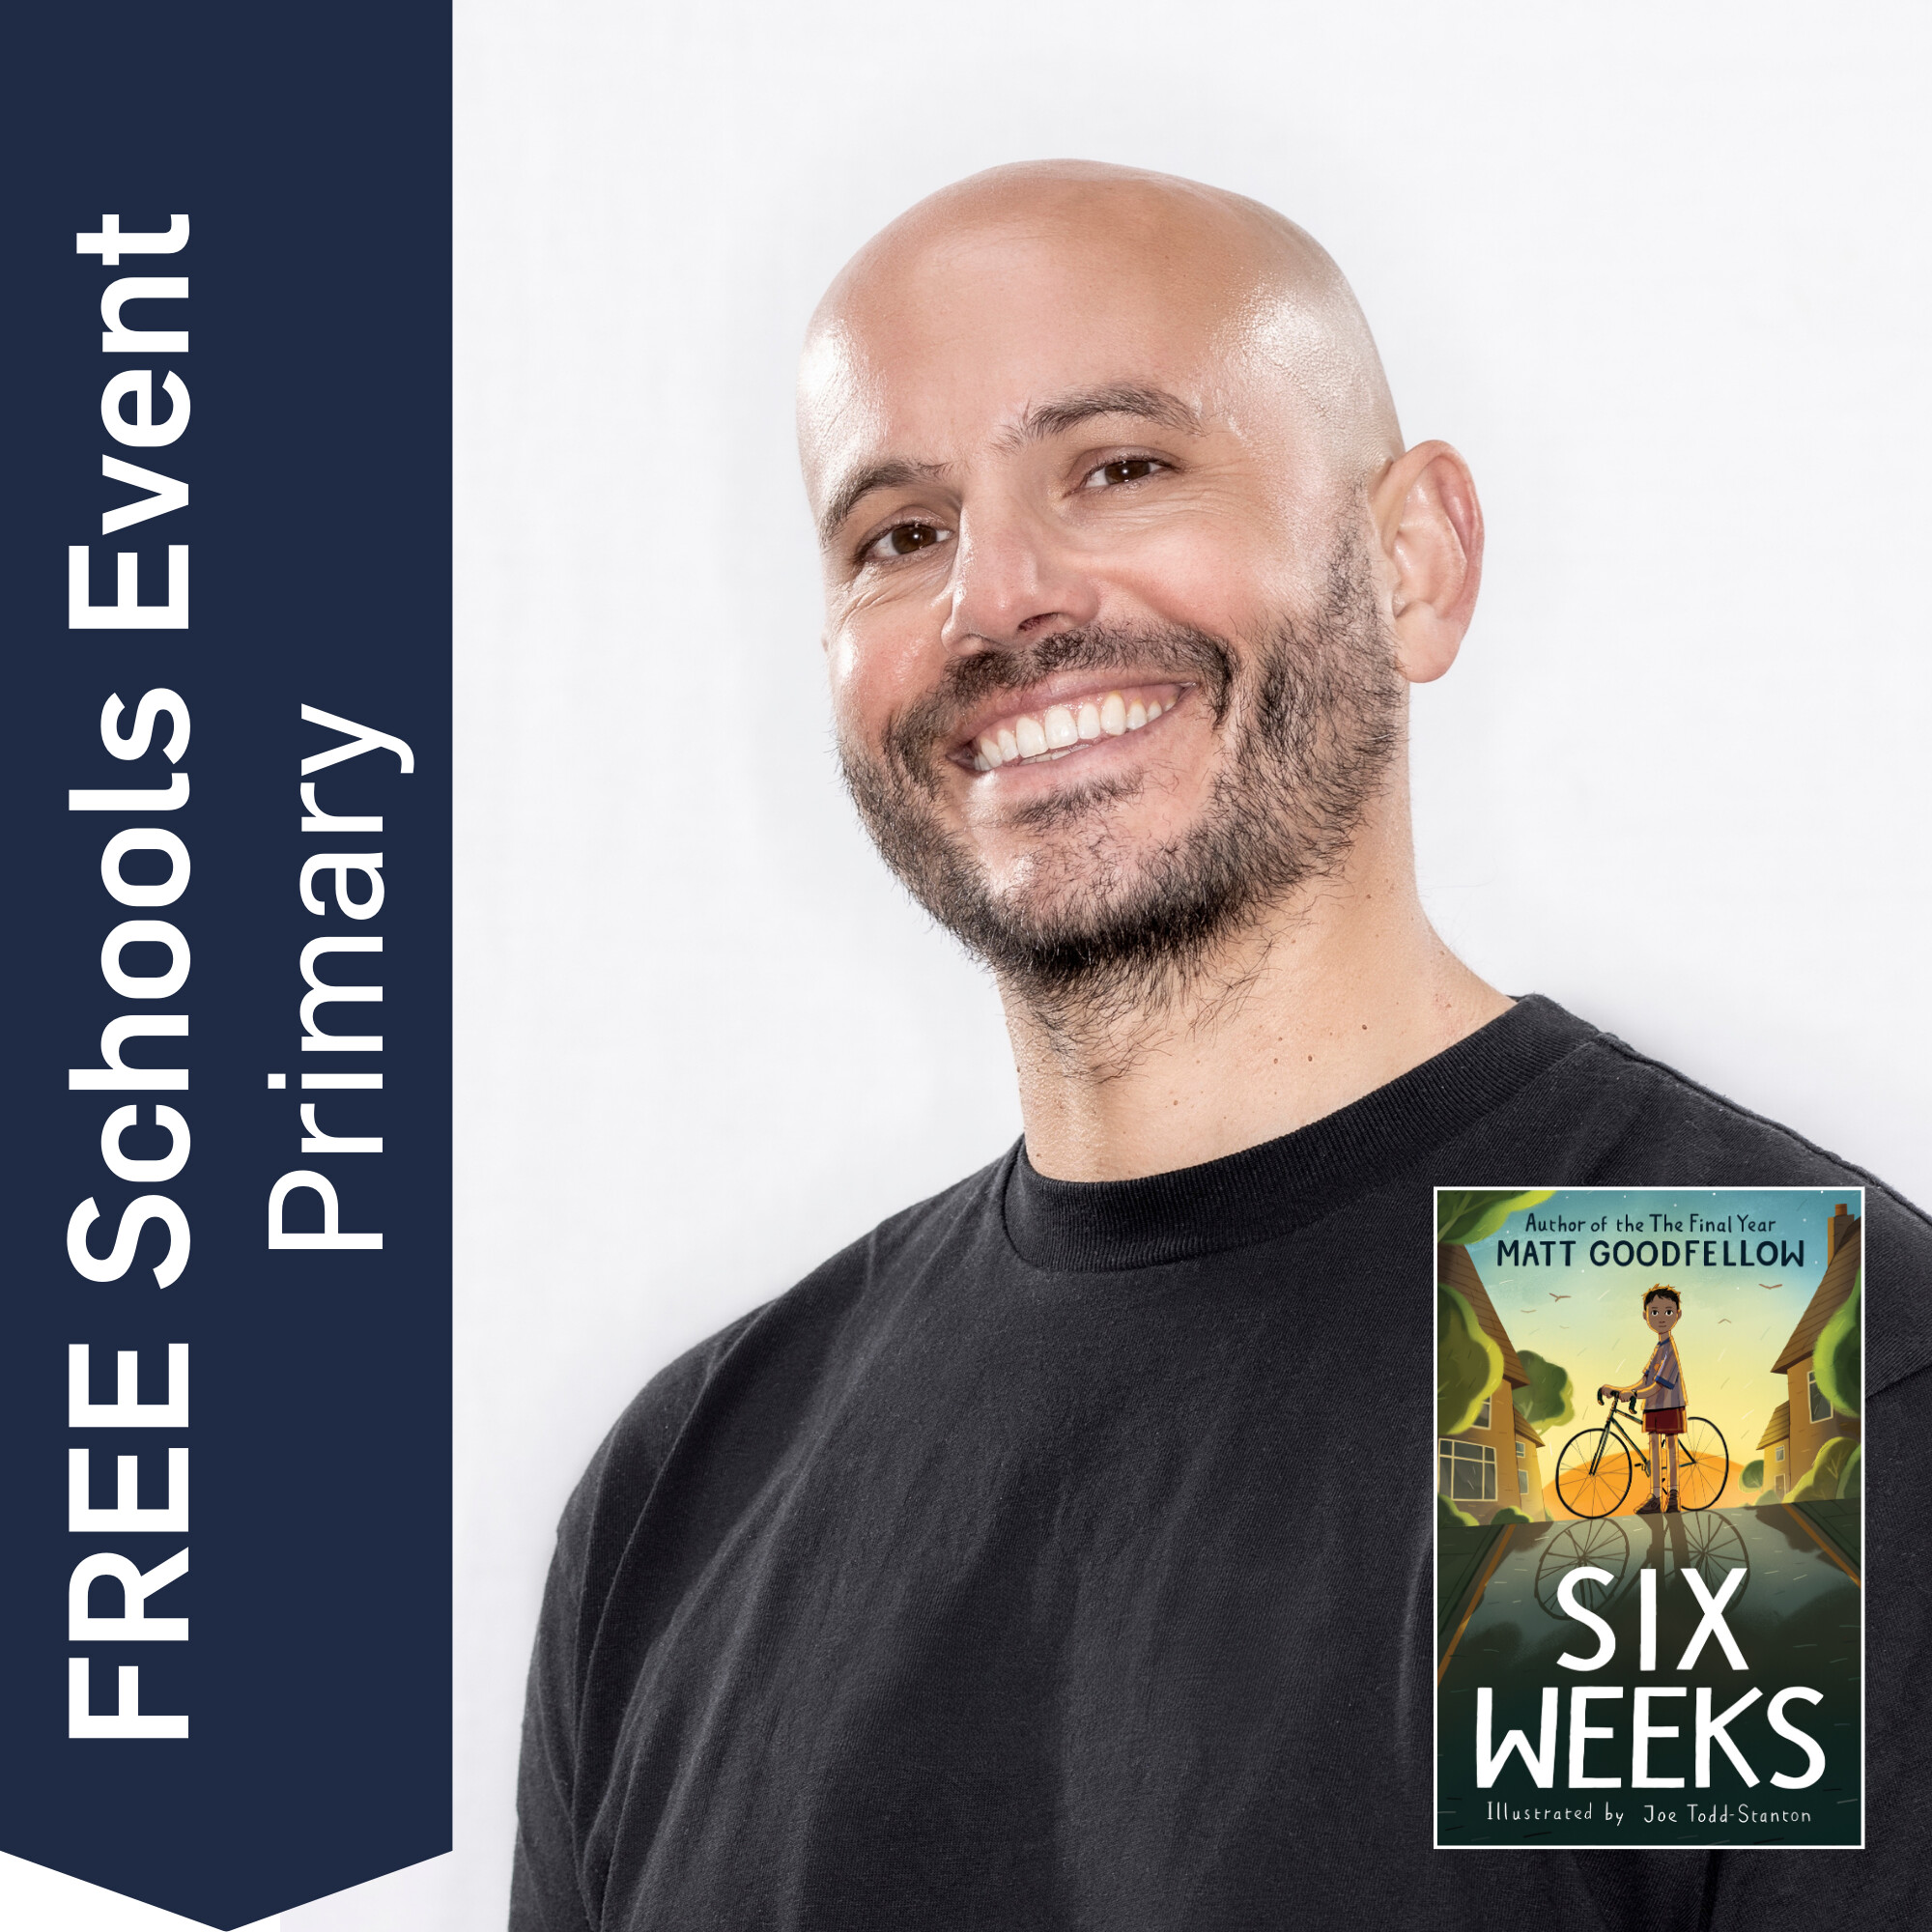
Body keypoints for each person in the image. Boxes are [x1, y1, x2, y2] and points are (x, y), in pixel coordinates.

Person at [510, 161, 1932, 1930]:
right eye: (899, 532)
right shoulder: (703, 1479)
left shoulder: (1712, 1341)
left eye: (1119, 466)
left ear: (1414, 561)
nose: (996, 602)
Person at [1597, 1285, 1689, 1514]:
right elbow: (1644, 1380)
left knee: (1671, 1447)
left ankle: (1674, 1496)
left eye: (1668, 1312)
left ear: (1677, 1314)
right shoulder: (1658, 1348)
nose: (1660, 1318)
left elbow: (1656, 1387)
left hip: (1670, 1404)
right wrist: (1617, 1389)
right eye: (1654, 1312)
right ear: (1645, 1315)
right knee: (1654, 1449)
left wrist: (1634, 1394)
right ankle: (1655, 1496)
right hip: (1653, 1407)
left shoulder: (1670, 1351)